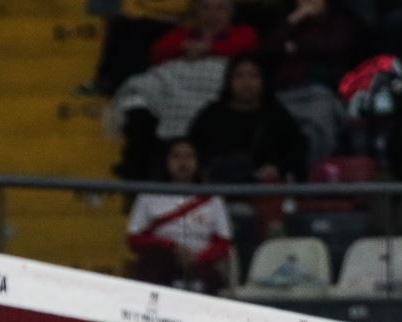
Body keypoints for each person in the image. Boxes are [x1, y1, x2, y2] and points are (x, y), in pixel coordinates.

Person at [125, 139, 234, 292]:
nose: (183, 162)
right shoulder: (148, 195)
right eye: (176, 156)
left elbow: (223, 242)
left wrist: (197, 258)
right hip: (161, 260)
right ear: (166, 161)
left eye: (189, 156)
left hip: (201, 261)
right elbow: (135, 239)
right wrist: (172, 248)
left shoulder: (213, 199)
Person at [188, 54, 308, 182]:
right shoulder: (210, 116)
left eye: (253, 76)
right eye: (239, 76)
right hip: (217, 188)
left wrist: (278, 168)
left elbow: (297, 151)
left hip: (263, 191)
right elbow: (192, 150)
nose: (246, 82)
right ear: (229, 80)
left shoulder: (277, 116)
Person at [151, 0, 259, 66]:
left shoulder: (243, 32)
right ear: (196, 13)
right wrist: (182, 48)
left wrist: (209, 49)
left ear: (230, 13)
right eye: (205, 8)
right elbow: (156, 53)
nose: (212, 13)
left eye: (220, 8)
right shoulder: (182, 34)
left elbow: (245, 46)